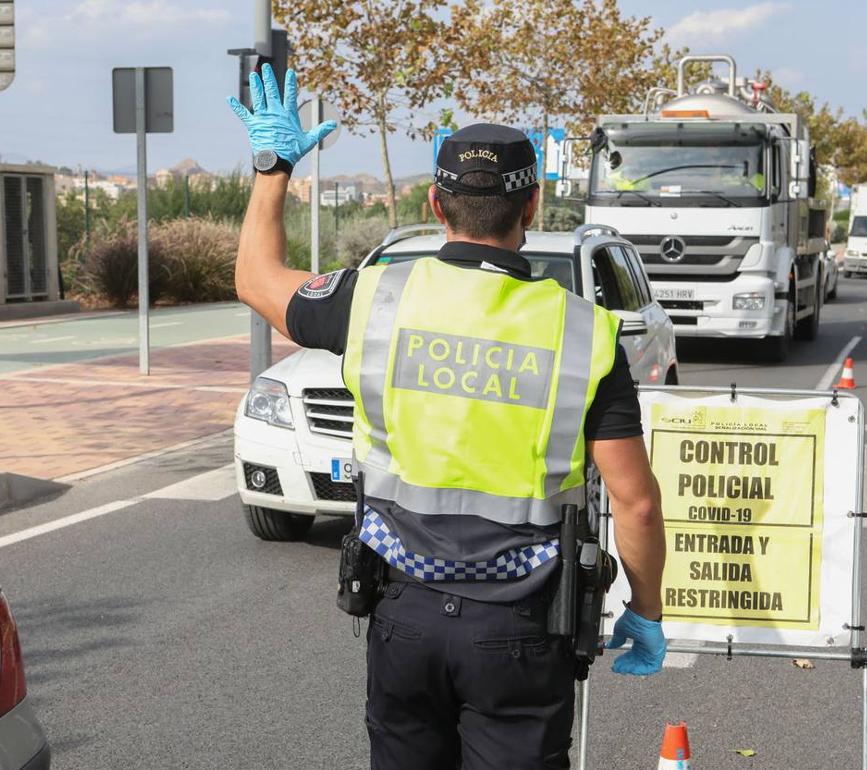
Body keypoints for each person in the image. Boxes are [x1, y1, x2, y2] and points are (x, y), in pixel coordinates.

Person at [230, 65, 667, 770]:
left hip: (405, 618)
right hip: (522, 628)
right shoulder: (583, 334)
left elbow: (254, 277)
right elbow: (636, 503)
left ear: (437, 204)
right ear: (532, 210)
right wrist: (645, 611)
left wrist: (272, 166)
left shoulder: (373, 299)